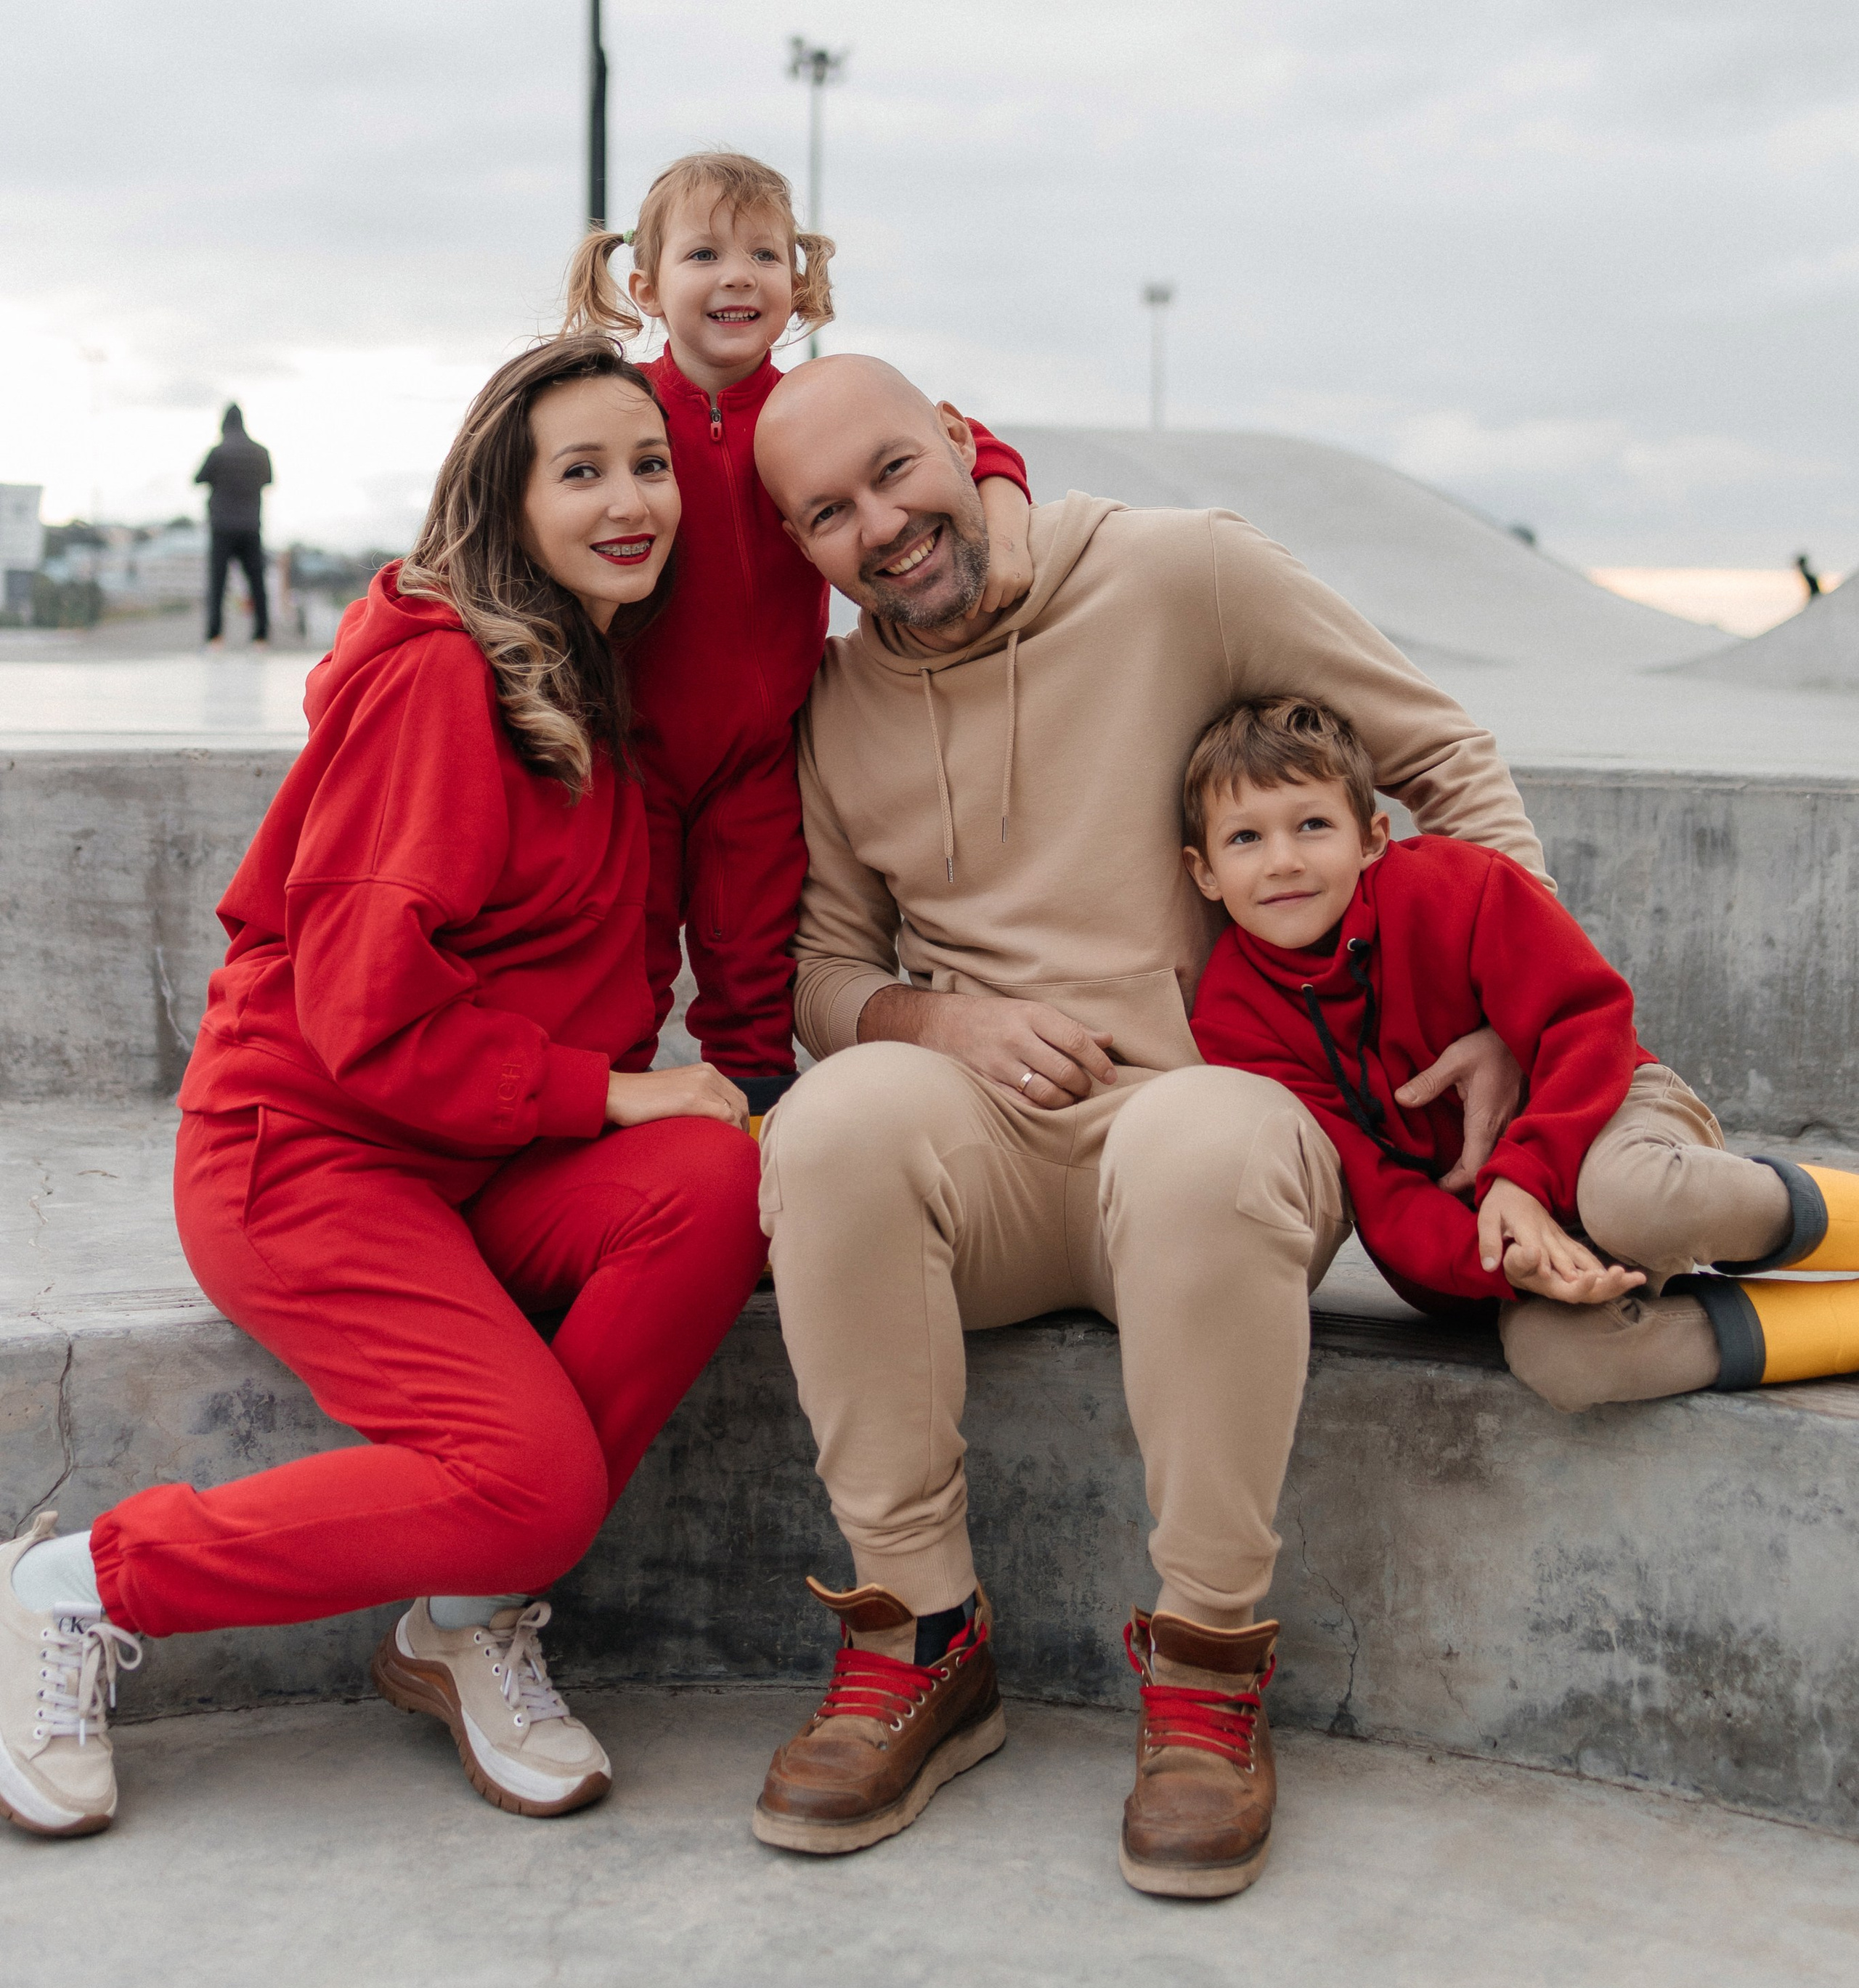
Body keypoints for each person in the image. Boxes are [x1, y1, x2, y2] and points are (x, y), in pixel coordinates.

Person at [746, 353, 1545, 1900]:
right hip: (985, 1148)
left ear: (964, 442)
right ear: (804, 550)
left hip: (1210, 1133)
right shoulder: (836, 706)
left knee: (1201, 1144)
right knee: (830, 1127)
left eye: (895, 472)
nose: (881, 527)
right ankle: (919, 1640)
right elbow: (824, 973)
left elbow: (1442, 758)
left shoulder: (1184, 570)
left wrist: (1506, 1009)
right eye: (826, 514)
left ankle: (1203, 1674)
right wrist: (942, 1020)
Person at [0, 336, 765, 1841]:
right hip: (311, 1153)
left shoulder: (606, 694)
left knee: (718, 1179)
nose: (632, 500)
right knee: (534, 1483)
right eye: (583, 470)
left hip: (484, 1151)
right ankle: (75, 1587)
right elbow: (360, 1007)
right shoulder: (437, 678)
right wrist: (609, 1096)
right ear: (508, 497)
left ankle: (460, 1618)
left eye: (651, 464)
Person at [1184, 692, 1859, 1407]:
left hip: (1605, 1116)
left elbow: (1588, 1020)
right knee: (1565, 1361)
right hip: (1503, 1233)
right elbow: (1378, 1190)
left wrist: (1522, 1176)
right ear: (1202, 872)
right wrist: (1512, 1260)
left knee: (1628, 1198)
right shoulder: (1233, 1019)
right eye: (1245, 838)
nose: (1282, 860)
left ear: (1372, 836)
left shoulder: (1455, 887)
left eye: (1312, 824)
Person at [560, 151, 1032, 1118]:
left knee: (754, 954)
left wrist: (1009, 530)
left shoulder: (811, 413)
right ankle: (631, 1121)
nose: (737, 275)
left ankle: (761, 1128)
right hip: (634, 749)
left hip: (762, 759)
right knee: (628, 950)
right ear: (646, 286)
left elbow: (974, 441)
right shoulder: (622, 408)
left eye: (764, 254)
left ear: (799, 282)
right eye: (704, 254)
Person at [196, 402, 274, 647]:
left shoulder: (218, 453)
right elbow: (269, 480)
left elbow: (198, 479)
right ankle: (261, 637)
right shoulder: (260, 452)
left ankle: (215, 637)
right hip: (251, 526)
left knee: (218, 585)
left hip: (222, 527)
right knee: (257, 583)